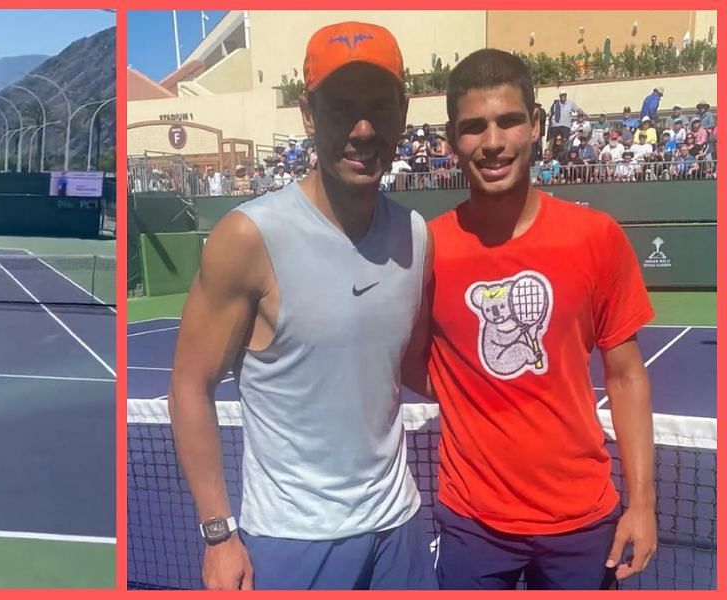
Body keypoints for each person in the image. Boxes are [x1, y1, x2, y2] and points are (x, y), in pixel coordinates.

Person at [168, 21, 436, 591]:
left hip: (400, 530)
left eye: (379, 107)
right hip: (293, 542)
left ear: (403, 111)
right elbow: (190, 385)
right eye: (341, 108)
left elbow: (411, 366)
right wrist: (218, 536)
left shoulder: (415, 235)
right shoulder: (249, 237)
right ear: (309, 116)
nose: (363, 129)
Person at [411, 48, 656, 590]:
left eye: (509, 121)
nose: (492, 142)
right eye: (473, 127)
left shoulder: (595, 237)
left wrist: (642, 504)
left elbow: (626, 374)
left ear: (536, 126)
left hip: (583, 522)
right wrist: (466, 392)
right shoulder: (426, 247)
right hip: (472, 525)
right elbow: (405, 362)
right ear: (452, 140)